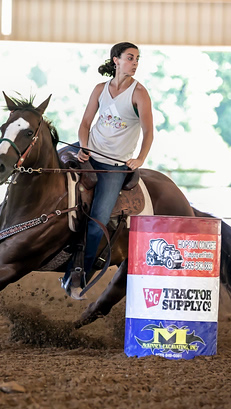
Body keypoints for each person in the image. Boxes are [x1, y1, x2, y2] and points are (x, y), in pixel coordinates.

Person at [62, 41, 154, 297]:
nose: (135, 63)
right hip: (88, 153)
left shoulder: (139, 93)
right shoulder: (100, 89)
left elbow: (149, 132)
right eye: (130, 58)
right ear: (116, 60)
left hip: (114, 166)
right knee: (54, 173)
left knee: (98, 221)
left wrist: (140, 159)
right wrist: (83, 146)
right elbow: (84, 124)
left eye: (137, 59)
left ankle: (80, 273)